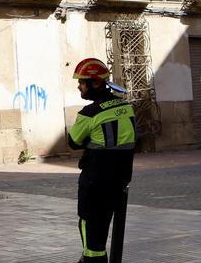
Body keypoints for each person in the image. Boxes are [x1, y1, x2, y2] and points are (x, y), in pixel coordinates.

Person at [67, 57, 136, 263]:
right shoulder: (126, 107)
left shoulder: (90, 113)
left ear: (95, 83)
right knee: (104, 225)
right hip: (119, 181)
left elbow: (73, 142)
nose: (79, 86)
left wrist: (90, 138)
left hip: (94, 181)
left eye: (82, 82)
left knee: (91, 232)